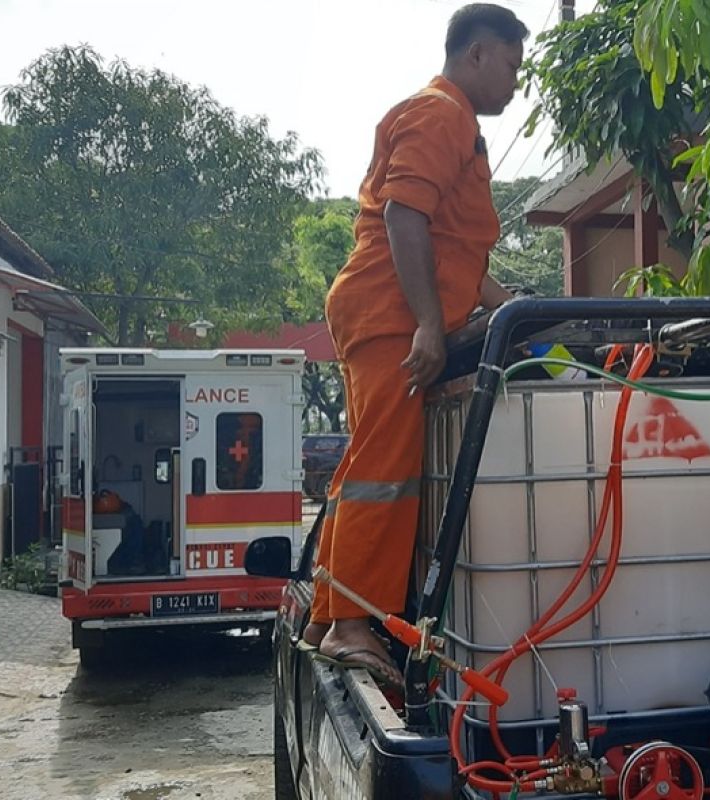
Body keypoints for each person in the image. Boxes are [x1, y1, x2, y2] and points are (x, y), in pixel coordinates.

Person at [302, 3, 527, 684]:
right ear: (477, 54)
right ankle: (350, 625)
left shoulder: (451, 121)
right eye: (512, 66)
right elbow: (405, 216)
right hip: (391, 311)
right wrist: (431, 324)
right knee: (385, 472)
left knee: (367, 463)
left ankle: (325, 611)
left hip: (383, 307)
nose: (516, 84)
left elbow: (453, 246)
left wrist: (509, 306)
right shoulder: (443, 113)